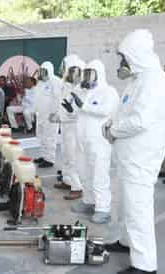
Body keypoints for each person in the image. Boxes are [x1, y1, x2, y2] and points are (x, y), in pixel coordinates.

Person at [102, 29, 165, 274]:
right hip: (128, 157)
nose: (123, 63)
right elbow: (123, 112)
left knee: (138, 210)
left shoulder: (154, 81)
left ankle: (144, 265)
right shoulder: (137, 80)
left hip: (141, 159)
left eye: (125, 57)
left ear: (137, 55)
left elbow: (140, 120)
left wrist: (114, 130)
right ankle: (126, 241)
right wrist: (110, 123)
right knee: (126, 206)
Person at [68, 60, 119, 224]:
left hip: (99, 142)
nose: (87, 77)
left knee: (99, 174)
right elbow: (80, 111)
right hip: (82, 140)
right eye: (86, 73)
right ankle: (89, 200)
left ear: (99, 73)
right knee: (84, 171)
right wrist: (72, 110)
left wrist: (84, 106)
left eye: (91, 73)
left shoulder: (108, 91)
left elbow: (107, 110)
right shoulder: (84, 91)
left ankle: (103, 208)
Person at [54, 55, 85, 197]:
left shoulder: (81, 87)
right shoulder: (65, 84)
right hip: (65, 125)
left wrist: (69, 112)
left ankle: (77, 187)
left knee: (73, 156)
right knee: (66, 155)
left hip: (74, 126)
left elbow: (80, 108)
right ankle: (67, 180)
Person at [33, 61, 61, 168]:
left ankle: (50, 159)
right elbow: (37, 98)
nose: (41, 73)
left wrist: (56, 113)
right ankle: (44, 156)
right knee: (42, 136)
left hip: (51, 116)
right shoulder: (40, 83)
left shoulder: (55, 81)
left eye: (44, 71)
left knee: (50, 137)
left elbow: (58, 99)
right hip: (41, 115)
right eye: (41, 71)